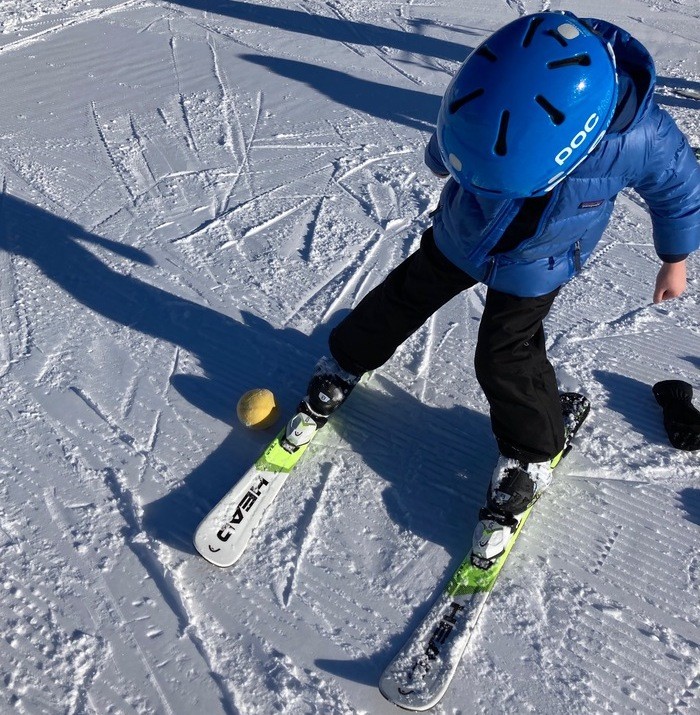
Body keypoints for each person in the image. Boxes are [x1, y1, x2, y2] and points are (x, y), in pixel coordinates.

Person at [284, 11, 700, 562]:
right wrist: (444, 157)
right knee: (401, 296)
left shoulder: (640, 135)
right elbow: (464, 122)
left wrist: (675, 257)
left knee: (505, 355)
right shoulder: (510, 76)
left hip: (538, 262)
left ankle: (534, 449)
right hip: (462, 232)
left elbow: (680, 188)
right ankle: (344, 361)